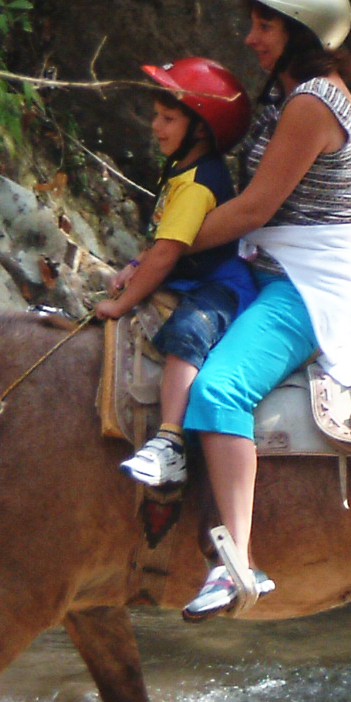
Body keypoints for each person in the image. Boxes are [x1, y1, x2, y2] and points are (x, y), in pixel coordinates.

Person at [176, 0, 351, 621]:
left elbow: (253, 209)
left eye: (265, 26)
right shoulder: (287, 93)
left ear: (300, 32)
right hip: (260, 267)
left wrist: (166, 243)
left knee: (220, 390)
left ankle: (236, 563)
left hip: (301, 286)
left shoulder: (311, 104)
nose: (250, 38)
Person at [99, 58, 258, 491]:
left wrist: (121, 304)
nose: (156, 126)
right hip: (188, 276)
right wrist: (135, 265)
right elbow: (163, 238)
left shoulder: (196, 184)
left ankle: (170, 439)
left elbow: (167, 253)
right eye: (156, 115)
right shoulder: (180, 167)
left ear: (201, 129)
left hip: (218, 285)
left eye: (168, 119)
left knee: (188, 333)